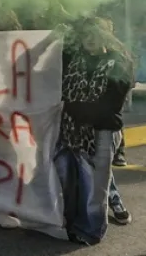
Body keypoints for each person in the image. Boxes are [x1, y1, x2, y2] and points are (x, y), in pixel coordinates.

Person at [56, 17, 133, 245]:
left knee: (96, 187)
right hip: (73, 131)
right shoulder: (74, 59)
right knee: (75, 181)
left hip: (102, 131)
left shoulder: (119, 62)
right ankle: (74, 223)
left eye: (95, 35)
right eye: (85, 35)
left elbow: (108, 106)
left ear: (106, 36)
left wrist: (69, 106)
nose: (89, 40)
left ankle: (91, 230)